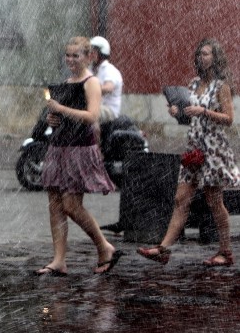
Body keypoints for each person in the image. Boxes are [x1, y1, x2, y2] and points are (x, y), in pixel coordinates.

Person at [137, 38, 240, 267]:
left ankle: (226, 252)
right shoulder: (193, 84)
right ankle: (163, 249)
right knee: (181, 199)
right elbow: (189, 117)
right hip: (194, 147)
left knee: (215, 201)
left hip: (213, 148)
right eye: (200, 54)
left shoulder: (221, 86)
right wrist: (177, 113)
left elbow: (229, 119)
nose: (202, 58)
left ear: (216, 58)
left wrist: (203, 110)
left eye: (206, 54)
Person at [36, 36, 122, 276]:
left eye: (76, 55)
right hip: (59, 146)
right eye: (68, 55)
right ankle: (59, 260)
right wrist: (53, 119)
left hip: (80, 148)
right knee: (54, 204)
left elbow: (92, 116)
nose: (71, 60)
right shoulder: (67, 81)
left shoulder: (91, 82)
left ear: (87, 57)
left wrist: (62, 109)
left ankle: (104, 247)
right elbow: (64, 116)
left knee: (72, 205)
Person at [89, 36, 123, 122]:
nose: (90, 54)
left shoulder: (109, 70)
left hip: (109, 110)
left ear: (101, 54)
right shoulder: (90, 69)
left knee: (88, 113)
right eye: (90, 51)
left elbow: (108, 88)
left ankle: (95, 135)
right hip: (95, 106)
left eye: (93, 52)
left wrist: (89, 89)